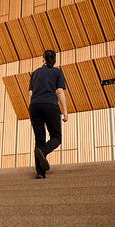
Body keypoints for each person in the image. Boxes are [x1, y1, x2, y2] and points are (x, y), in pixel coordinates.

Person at [29, 49, 68, 179]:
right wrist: (65, 111)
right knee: (56, 137)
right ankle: (43, 151)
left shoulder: (35, 73)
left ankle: (40, 172)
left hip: (34, 106)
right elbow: (60, 91)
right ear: (54, 59)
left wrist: (31, 109)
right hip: (50, 105)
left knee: (39, 139)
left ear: (43, 59)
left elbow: (30, 93)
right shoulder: (57, 72)